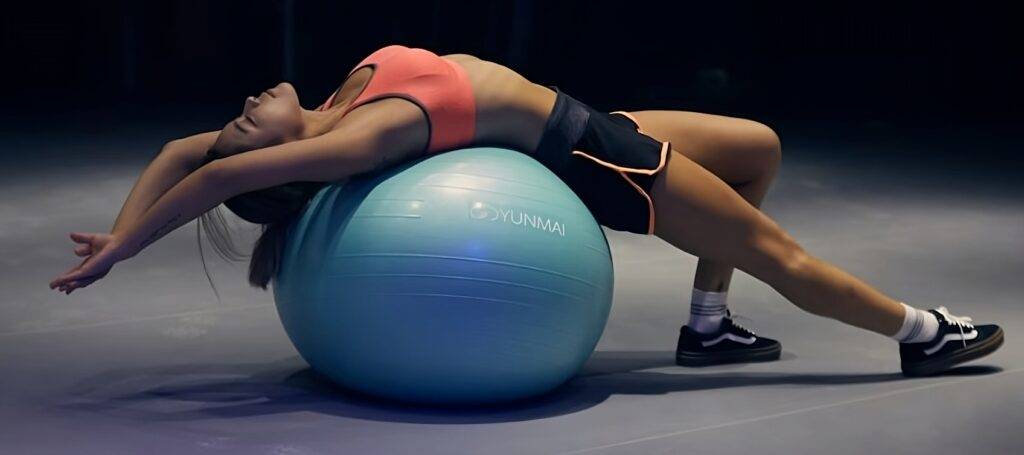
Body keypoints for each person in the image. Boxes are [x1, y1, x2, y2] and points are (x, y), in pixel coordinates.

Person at [49, 44, 1002, 376]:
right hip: (592, 155)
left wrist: (125, 218)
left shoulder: (334, 107)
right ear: (279, 161)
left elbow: (185, 154)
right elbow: (209, 177)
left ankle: (708, 329)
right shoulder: (347, 140)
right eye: (243, 124)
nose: (242, 106)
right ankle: (920, 329)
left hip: (584, 119)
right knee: (779, 252)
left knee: (760, 147)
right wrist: (127, 250)